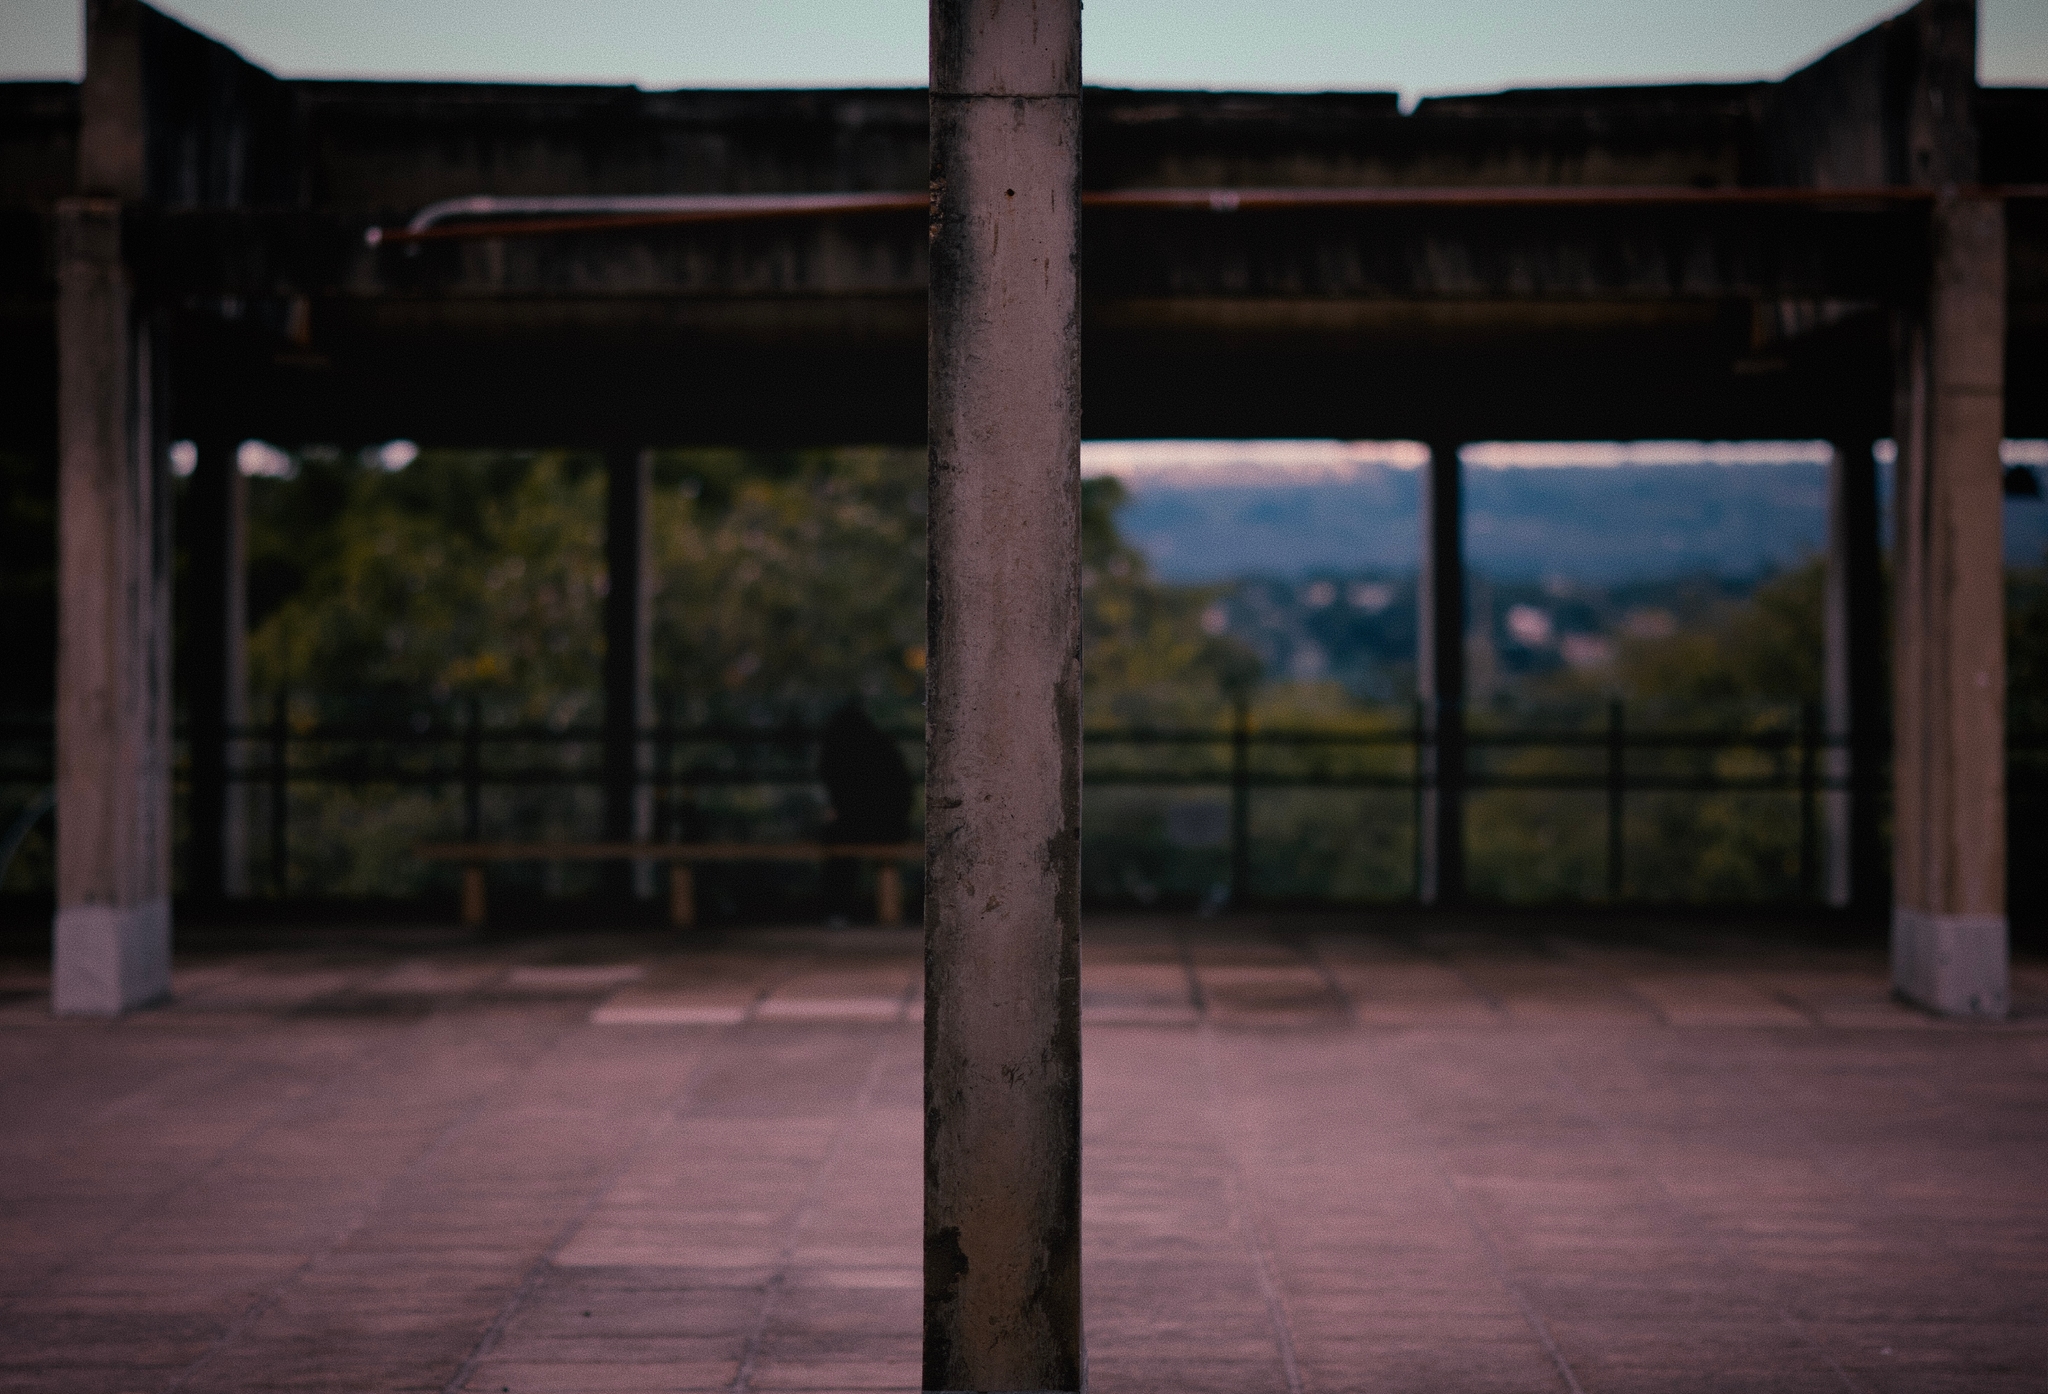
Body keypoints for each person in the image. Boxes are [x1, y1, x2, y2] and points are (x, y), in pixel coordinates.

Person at [816, 700, 913, 920]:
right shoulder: (881, 745)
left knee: (837, 846)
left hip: (872, 825)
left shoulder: (843, 750)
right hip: (888, 825)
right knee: (840, 845)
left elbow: (841, 796)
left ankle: (837, 911)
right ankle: (846, 912)